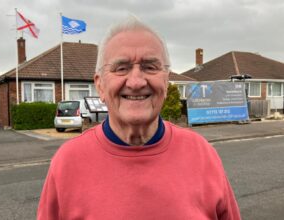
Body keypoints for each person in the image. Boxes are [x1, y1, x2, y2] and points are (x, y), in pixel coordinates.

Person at [37, 15, 241, 220]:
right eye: (121, 68)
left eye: (150, 67)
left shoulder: (203, 154)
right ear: (100, 85)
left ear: (166, 81)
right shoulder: (67, 163)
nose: (135, 82)